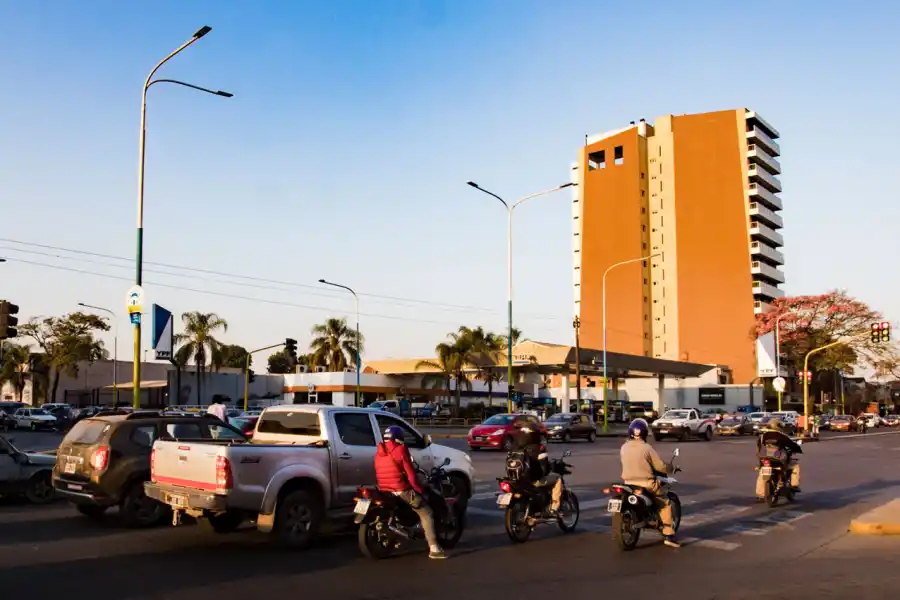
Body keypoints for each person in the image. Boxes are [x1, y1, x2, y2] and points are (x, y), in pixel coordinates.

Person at [374, 425, 446, 559]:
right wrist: (419, 489)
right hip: (401, 490)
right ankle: (434, 548)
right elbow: (412, 476)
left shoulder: (379, 453)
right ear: (398, 438)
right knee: (427, 512)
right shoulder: (401, 450)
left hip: (385, 490)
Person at [620, 418, 679, 548]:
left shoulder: (623, 447)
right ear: (645, 433)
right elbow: (659, 466)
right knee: (664, 503)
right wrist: (671, 468)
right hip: (646, 483)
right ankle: (669, 535)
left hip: (628, 483)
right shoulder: (647, 448)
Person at [510, 424, 563, 515]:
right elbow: (544, 469)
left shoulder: (514, 447)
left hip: (516, 479)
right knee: (557, 478)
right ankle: (553, 508)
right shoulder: (539, 448)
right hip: (532, 480)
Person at [755, 418, 801, 501]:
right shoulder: (782, 436)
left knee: (762, 473)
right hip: (778, 459)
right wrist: (798, 449)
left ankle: (760, 494)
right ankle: (794, 485)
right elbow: (792, 445)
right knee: (795, 465)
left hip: (765, 459)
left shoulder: (762, 436)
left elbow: (759, 447)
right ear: (778, 426)